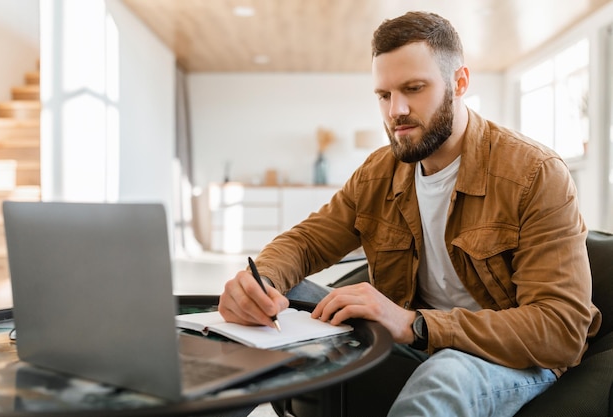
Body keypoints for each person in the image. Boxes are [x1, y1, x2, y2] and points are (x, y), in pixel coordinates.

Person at [218, 11, 601, 417]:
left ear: (460, 82)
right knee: (271, 303)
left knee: (447, 375)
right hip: (411, 335)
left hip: (502, 355)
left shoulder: (535, 173)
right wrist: (259, 282)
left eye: (413, 88)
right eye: (383, 95)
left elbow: (561, 327)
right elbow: (307, 241)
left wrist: (416, 324)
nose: (395, 110)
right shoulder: (378, 172)